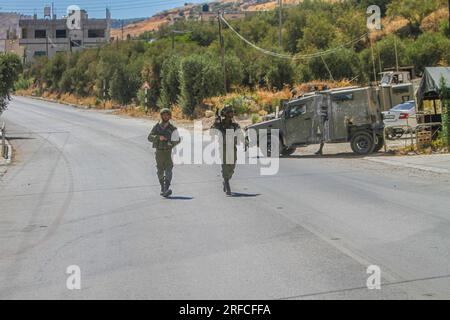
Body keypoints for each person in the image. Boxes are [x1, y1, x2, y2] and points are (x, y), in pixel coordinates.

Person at [148, 108, 180, 198]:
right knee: (160, 171)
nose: (165, 116)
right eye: (164, 115)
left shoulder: (172, 128)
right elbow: (149, 137)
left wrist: (170, 142)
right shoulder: (157, 126)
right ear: (161, 116)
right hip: (159, 152)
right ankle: (162, 187)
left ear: (169, 116)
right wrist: (158, 137)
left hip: (168, 152)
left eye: (167, 115)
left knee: (169, 169)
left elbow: (178, 139)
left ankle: (166, 188)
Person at [211, 105, 241, 196]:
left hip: (232, 147)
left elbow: (240, 134)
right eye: (230, 112)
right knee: (225, 164)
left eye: (232, 112)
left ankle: (226, 178)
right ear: (225, 113)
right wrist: (216, 122)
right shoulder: (220, 123)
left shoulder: (234, 125)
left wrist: (245, 141)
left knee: (232, 166)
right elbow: (212, 131)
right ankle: (226, 182)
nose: (232, 113)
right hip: (223, 147)